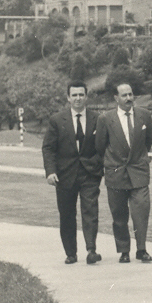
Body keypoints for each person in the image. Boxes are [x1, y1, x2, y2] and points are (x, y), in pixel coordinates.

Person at [42, 81, 103, 265]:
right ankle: (71, 253)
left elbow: (103, 145)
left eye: (81, 95)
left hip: (89, 173)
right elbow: (48, 148)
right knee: (67, 214)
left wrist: (98, 166)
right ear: (68, 98)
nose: (78, 98)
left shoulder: (97, 119)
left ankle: (91, 250)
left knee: (90, 211)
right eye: (74, 95)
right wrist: (50, 172)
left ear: (86, 96)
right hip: (64, 175)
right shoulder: (57, 120)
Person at [95, 82, 152, 263]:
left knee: (141, 212)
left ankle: (141, 249)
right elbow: (100, 146)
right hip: (116, 173)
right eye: (124, 95)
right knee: (119, 215)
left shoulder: (144, 115)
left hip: (139, 172)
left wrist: (140, 159)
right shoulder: (105, 119)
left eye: (130, 94)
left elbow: (148, 140)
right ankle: (124, 251)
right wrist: (112, 163)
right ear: (116, 98)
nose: (129, 98)